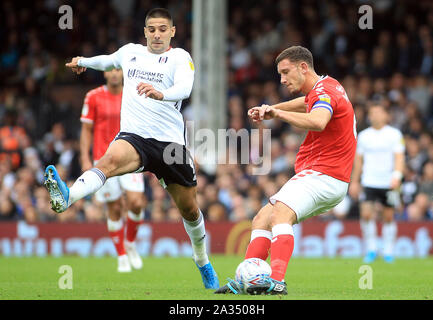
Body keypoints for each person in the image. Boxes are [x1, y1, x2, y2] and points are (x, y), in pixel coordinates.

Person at [44, 8, 219, 289]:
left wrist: (163, 93)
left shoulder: (180, 57)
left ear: (172, 31)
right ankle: (68, 197)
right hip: (135, 137)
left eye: (163, 29)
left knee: (190, 210)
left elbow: (185, 89)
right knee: (107, 161)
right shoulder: (130, 53)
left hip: (170, 145)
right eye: (152, 29)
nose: (157, 34)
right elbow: (108, 61)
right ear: (145, 32)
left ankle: (203, 262)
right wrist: (84, 61)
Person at [215, 46, 357, 295]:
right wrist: (272, 108)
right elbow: (306, 103)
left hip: (323, 174)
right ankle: (247, 278)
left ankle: (276, 280)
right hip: (324, 177)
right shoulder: (326, 88)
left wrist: (278, 113)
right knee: (261, 219)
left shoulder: (324, 92)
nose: (281, 79)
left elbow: (318, 120)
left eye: (285, 72)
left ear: (303, 67)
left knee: (281, 213)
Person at [80, 68, 146, 272]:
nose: (115, 73)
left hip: (130, 155)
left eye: (118, 69)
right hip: (103, 158)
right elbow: (86, 131)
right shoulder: (93, 96)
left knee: (136, 202)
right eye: (110, 70)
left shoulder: (133, 94)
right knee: (114, 207)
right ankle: (121, 256)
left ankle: (130, 243)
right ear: (105, 74)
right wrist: (85, 159)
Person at [349, 104, 405, 263]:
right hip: (369, 181)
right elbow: (358, 161)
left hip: (389, 182)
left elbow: (399, 157)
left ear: (386, 116)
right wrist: (355, 182)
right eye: (372, 113)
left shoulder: (394, 134)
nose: (374, 115)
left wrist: (397, 175)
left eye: (378, 112)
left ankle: (388, 251)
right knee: (366, 214)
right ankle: (371, 249)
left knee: (388, 217)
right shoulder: (364, 136)